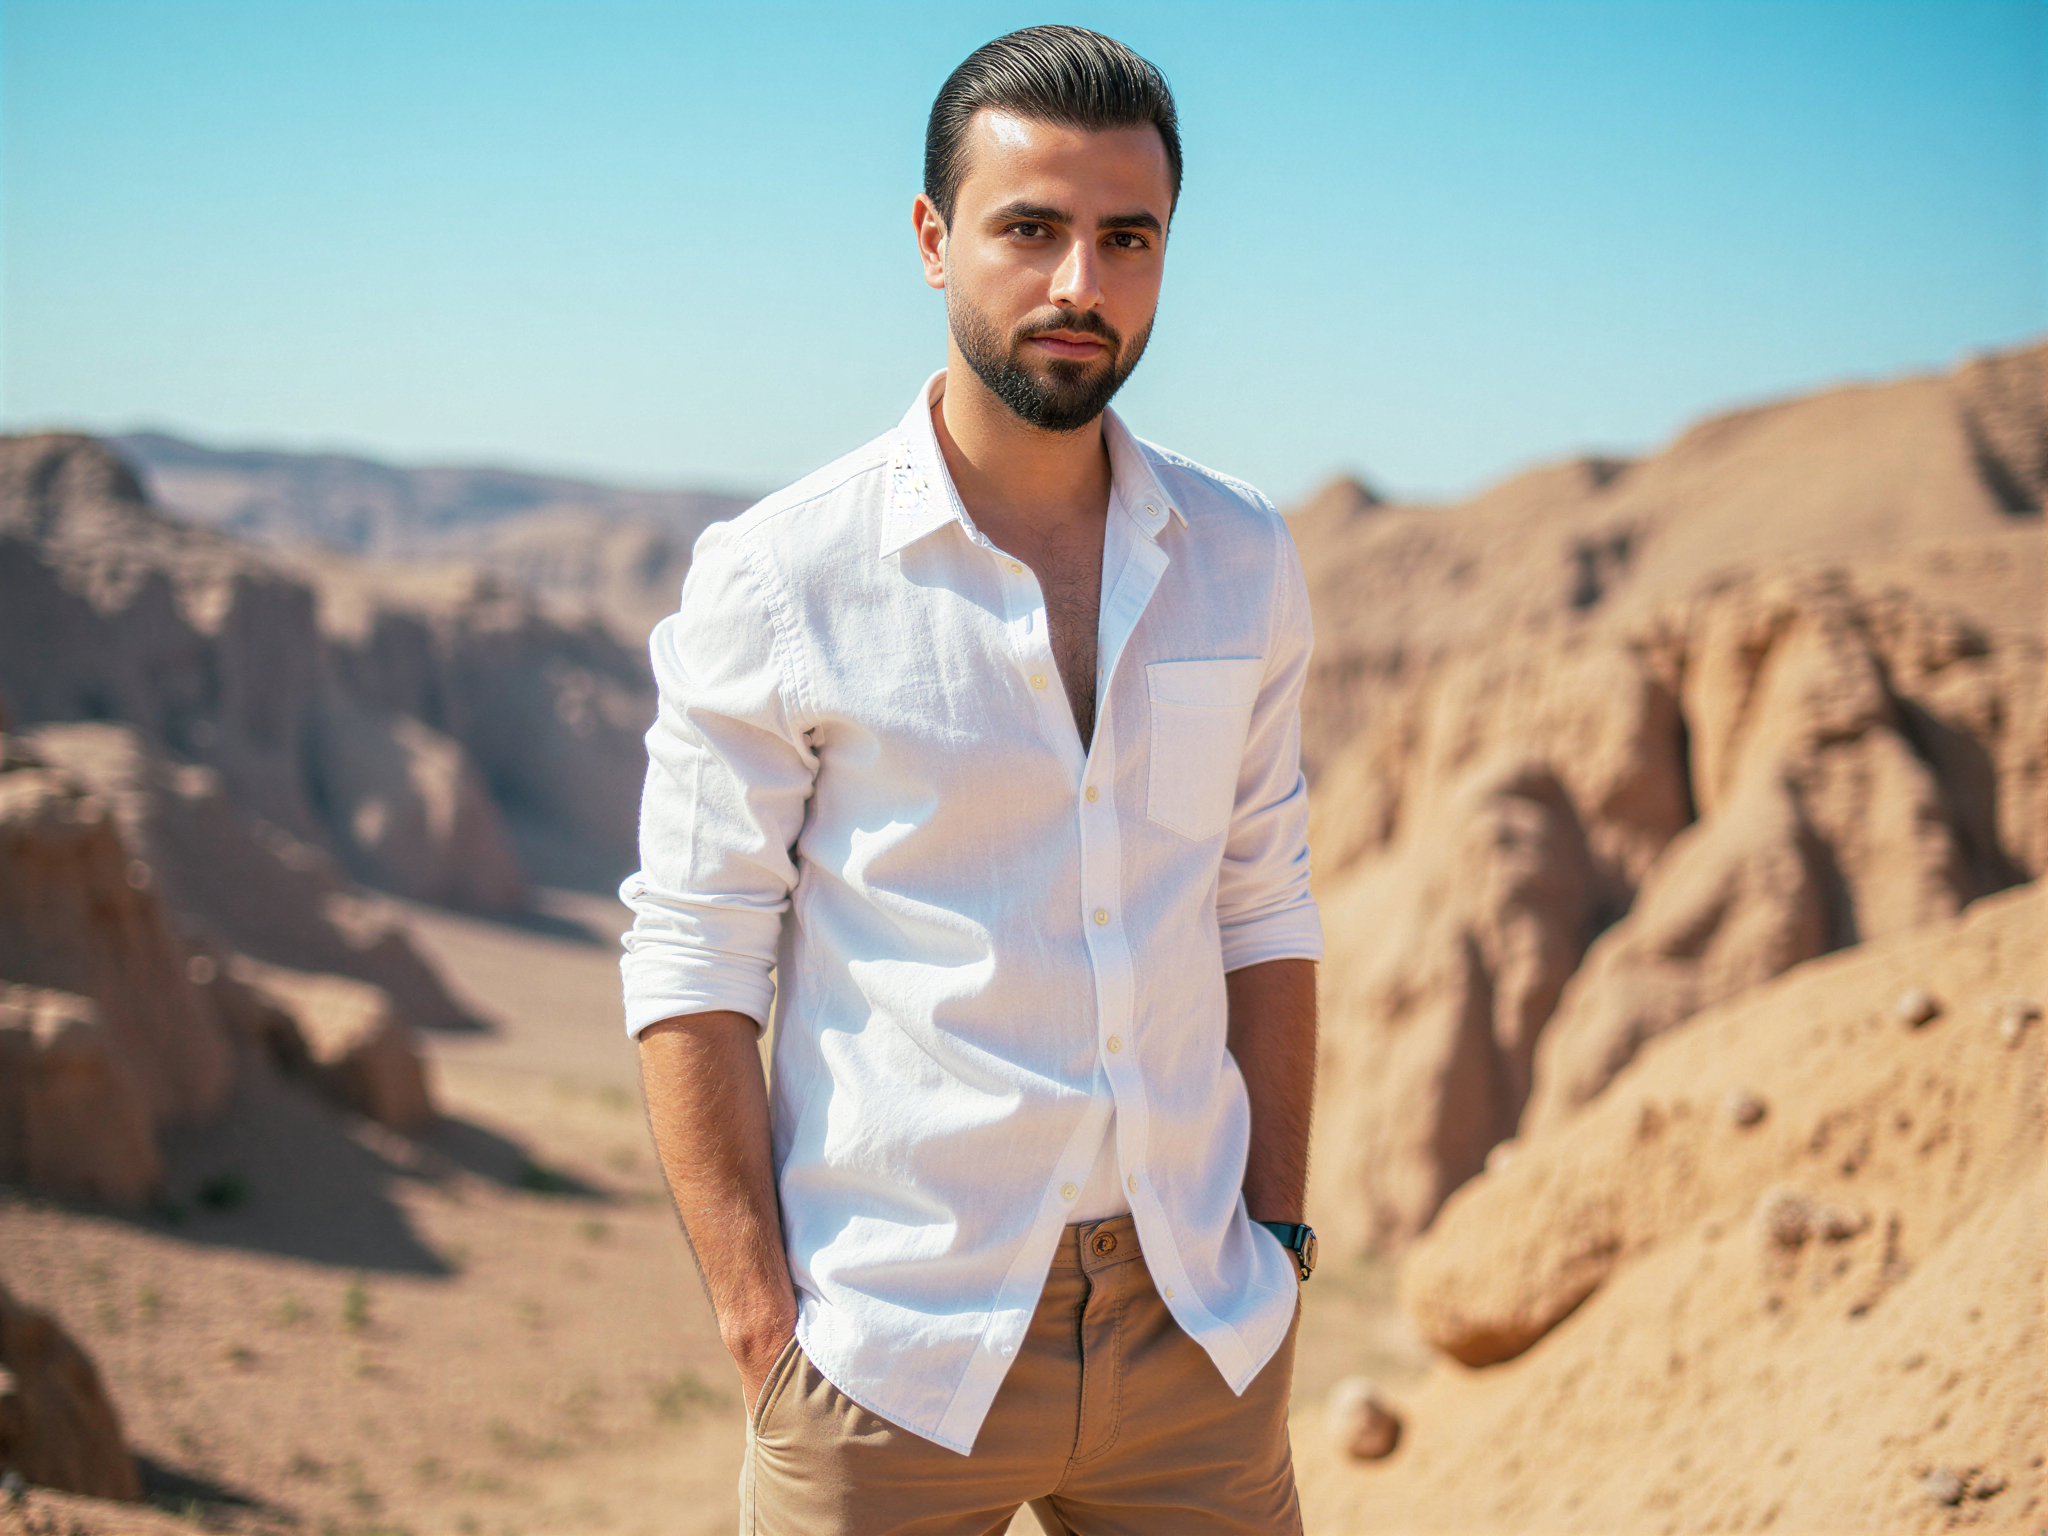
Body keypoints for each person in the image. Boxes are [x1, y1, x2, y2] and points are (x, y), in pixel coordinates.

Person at [622, 24, 1322, 1535]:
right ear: (935, 241)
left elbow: (1262, 906)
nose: (1082, 283)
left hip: (1195, 1330)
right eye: (1032, 229)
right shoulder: (781, 577)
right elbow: (691, 954)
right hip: (889, 1354)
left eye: (1126, 238)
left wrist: (1278, 1237)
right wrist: (764, 1332)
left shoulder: (1240, 556)